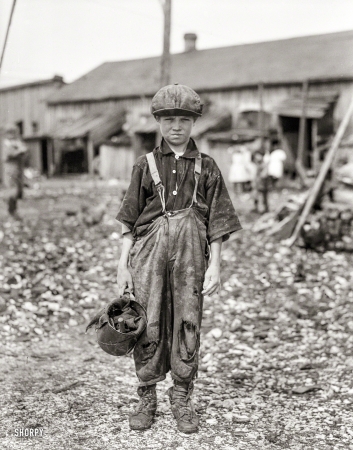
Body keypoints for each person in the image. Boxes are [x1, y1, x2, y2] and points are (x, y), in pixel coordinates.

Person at [116, 84, 242, 433]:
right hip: (148, 257)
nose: (176, 126)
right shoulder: (145, 165)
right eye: (169, 119)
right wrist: (121, 265)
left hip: (191, 258)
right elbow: (128, 220)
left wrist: (216, 265)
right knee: (148, 322)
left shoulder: (208, 166)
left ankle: (182, 395)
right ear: (158, 122)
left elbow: (218, 222)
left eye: (184, 120)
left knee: (188, 322)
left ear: (193, 123)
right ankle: (146, 395)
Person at [1, 124, 27, 218]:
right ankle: (11, 210)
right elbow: (8, 155)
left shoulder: (15, 142)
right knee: (12, 190)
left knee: (18, 190)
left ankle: (14, 209)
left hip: (17, 169)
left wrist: (20, 149)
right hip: (10, 170)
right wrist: (19, 151)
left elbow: (24, 149)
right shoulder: (7, 143)